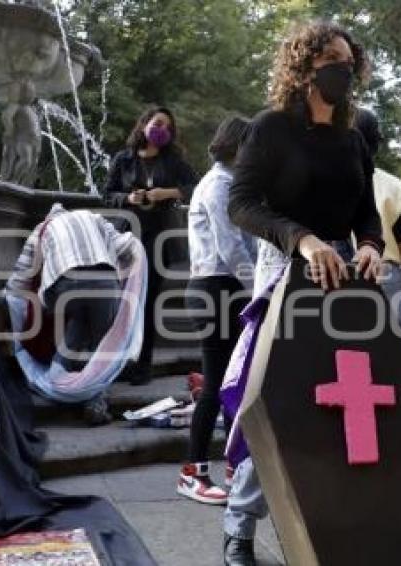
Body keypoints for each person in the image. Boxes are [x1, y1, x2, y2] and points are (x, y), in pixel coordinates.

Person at [223, 21, 383, 565]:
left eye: (349, 60)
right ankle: (239, 529)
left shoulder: (355, 137)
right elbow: (241, 204)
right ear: (304, 67)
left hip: (348, 277)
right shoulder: (270, 128)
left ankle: (325, 522)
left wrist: (372, 244)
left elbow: (365, 210)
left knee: (347, 406)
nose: (345, 69)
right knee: (277, 400)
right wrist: (303, 240)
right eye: (333, 59)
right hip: (288, 267)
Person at [6, 204, 146, 426]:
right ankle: (95, 402)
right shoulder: (93, 218)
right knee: (102, 348)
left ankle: (57, 376)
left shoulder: (42, 229)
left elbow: (19, 280)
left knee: (79, 321)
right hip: (104, 284)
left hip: (63, 289)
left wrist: (14, 332)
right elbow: (124, 247)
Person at [177, 116, 256, 505]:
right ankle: (193, 471)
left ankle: (231, 462)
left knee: (228, 382)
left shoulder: (228, 183)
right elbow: (232, 247)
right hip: (216, 288)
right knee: (215, 386)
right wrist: (259, 289)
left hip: (221, 287)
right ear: (238, 146)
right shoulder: (220, 185)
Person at [104, 107, 199, 385]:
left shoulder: (174, 160)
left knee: (148, 301)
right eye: (158, 124)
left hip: (160, 239)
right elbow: (107, 194)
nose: (162, 131)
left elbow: (195, 186)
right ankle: (119, 361)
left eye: (168, 128)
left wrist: (167, 192)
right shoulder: (123, 159)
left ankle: (142, 365)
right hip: (128, 238)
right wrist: (128, 198)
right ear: (144, 124)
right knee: (124, 301)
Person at [355, 109, 401, 330]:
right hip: (386, 279)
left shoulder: (323, 182)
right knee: (390, 358)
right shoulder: (395, 189)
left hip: (339, 276)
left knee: (348, 358)